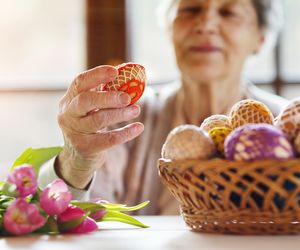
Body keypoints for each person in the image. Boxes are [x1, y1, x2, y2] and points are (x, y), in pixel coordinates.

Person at [39, 0, 288, 214]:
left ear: (261, 37)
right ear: (169, 27)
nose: (205, 25)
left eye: (228, 12)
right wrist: (76, 161)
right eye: (190, 9)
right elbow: (64, 213)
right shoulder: (123, 115)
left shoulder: (286, 126)